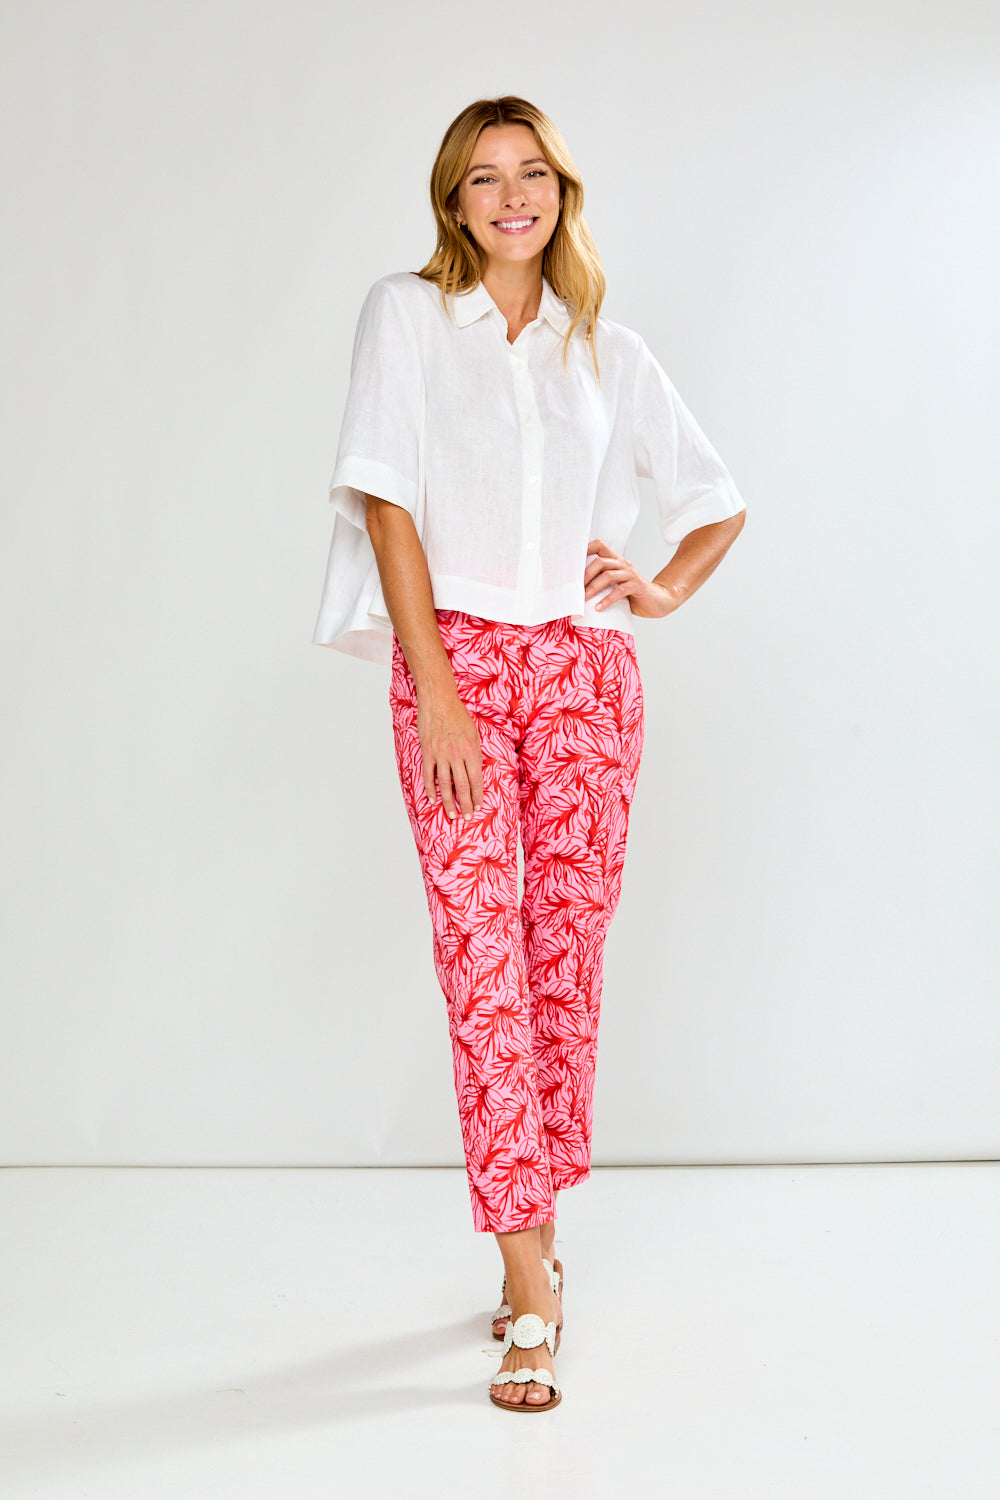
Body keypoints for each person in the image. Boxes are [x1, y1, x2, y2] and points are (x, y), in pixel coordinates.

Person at [312, 95, 746, 1413]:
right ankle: (533, 1285)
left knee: (559, 968)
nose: (513, 196)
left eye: (534, 173)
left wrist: (658, 592)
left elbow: (717, 502)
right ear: (453, 200)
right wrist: (435, 688)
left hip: (582, 676)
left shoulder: (605, 351)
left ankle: (532, 1240)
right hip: (456, 663)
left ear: (561, 190)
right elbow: (384, 500)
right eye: (485, 177)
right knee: (482, 974)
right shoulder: (407, 316)